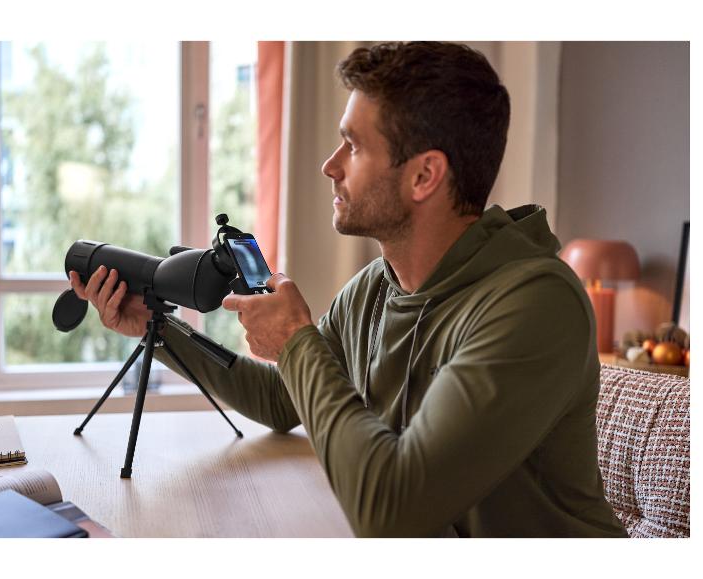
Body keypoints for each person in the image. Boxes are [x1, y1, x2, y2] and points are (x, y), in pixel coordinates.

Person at [69, 42, 627, 538]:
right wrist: (156, 330)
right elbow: (281, 399)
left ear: (424, 176)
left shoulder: (534, 304)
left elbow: (392, 511)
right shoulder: (375, 289)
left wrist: (294, 338)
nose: (329, 165)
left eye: (353, 147)